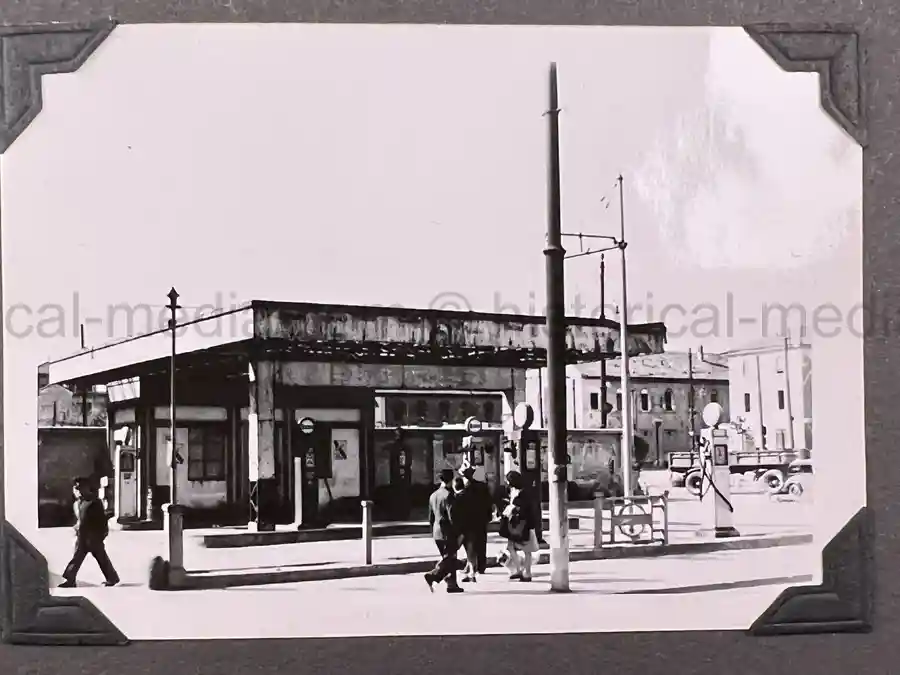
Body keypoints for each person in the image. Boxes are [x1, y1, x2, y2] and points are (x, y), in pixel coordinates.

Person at [59, 477, 119, 588]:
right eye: (76, 488)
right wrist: (77, 527)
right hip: (82, 536)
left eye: (80, 488)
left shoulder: (94, 502)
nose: (77, 491)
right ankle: (70, 579)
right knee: (77, 558)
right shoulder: (78, 503)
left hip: (93, 537)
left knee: (101, 558)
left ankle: (112, 578)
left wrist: (102, 534)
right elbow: (81, 519)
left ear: (86, 488)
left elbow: (102, 520)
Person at [424, 468, 464, 593]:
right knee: (450, 558)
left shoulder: (433, 495)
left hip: (437, 531)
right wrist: (460, 532)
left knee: (448, 558)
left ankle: (451, 584)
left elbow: (431, 517)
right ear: (451, 480)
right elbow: (453, 517)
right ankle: (433, 575)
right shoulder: (449, 495)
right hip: (448, 531)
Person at [497, 470, 538, 582]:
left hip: (524, 525)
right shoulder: (513, 491)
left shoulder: (524, 493)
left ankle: (527, 573)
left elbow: (525, 508)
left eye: (508, 480)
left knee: (527, 550)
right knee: (511, 547)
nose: (506, 483)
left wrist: (513, 508)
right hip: (515, 525)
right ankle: (519, 570)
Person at [459, 464, 494, 579]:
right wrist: (489, 515)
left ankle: (472, 566)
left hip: (469, 520)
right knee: (482, 541)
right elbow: (489, 502)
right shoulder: (483, 487)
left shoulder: (464, 489)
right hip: (482, 518)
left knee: (470, 544)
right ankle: (481, 566)